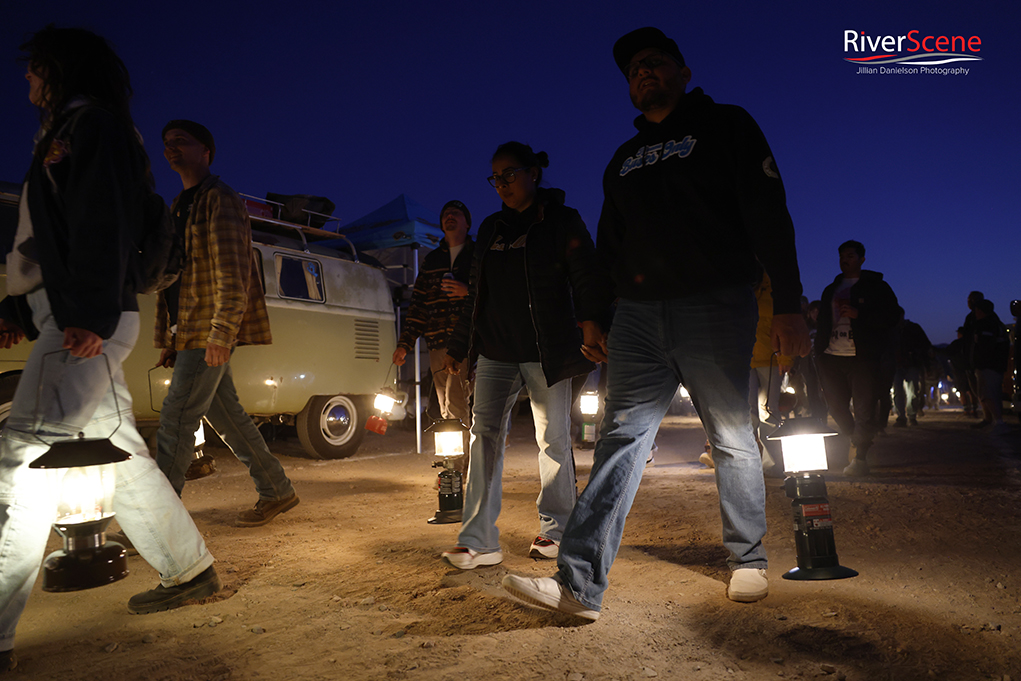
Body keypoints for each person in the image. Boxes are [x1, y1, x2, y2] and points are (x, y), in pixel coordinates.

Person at [501, 27, 811, 618]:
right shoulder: (623, 160)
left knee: (730, 434)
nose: (642, 72)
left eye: (654, 62)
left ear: (683, 71)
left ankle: (747, 559)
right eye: (632, 69)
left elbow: (770, 213)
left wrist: (790, 302)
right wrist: (595, 315)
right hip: (639, 317)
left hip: (715, 301)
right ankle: (578, 586)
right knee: (621, 440)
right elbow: (609, 247)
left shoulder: (728, 125)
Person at [0, 27, 220, 672]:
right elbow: (46, 239)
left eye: (35, 70)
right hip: (76, 316)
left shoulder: (87, 128)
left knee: (22, 457)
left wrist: (88, 312)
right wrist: (18, 308)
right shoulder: (76, 129)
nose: (27, 81)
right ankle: (189, 569)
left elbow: (102, 222)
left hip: (83, 321)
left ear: (60, 71)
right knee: (118, 454)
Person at [440, 142, 607, 569]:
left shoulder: (562, 221)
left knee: (552, 440)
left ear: (533, 172)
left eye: (509, 175)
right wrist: (459, 346)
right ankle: (478, 539)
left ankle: (556, 529)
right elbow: (477, 294)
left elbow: (585, 274)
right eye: (495, 178)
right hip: (496, 351)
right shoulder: (493, 229)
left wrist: (591, 320)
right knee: (484, 436)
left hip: (545, 350)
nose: (501, 185)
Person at [156, 120, 298, 526]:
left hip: (208, 328)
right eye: (167, 143)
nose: (171, 148)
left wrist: (222, 332)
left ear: (207, 151)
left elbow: (233, 272)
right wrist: (171, 335)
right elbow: (178, 276)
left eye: (181, 141)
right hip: (189, 328)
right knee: (226, 415)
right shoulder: (179, 204)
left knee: (176, 418)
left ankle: (159, 521)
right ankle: (277, 489)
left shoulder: (220, 199)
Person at [814, 240, 899, 476]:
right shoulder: (832, 288)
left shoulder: (877, 287)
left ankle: (860, 458)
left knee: (863, 408)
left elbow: (892, 317)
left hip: (862, 357)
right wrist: (819, 351)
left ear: (862, 259)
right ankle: (858, 439)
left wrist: (859, 314)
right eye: (841, 256)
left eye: (850, 255)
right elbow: (822, 323)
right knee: (836, 406)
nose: (845, 260)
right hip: (832, 356)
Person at [393, 200, 474, 426]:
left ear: (467, 223)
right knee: (445, 404)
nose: (450, 216)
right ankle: (459, 456)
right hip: (437, 342)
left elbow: (495, 293)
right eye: (446, 213)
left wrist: (468, 292)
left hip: (467, 342)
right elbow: (419, 304)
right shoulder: (432, 261)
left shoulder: (477, 257)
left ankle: (463, 460)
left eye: (456, 213)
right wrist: (405, 343)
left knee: (457, 401)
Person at [970, 299, 1010, 434]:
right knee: (991, 393)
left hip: (989, 366)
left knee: (988, 393)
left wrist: (979, 363)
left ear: (981, 311)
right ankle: (993, 420)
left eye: (976, 311)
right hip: (994, 365)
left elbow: (986, 347)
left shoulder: (987, 325)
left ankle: (998, 422)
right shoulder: (997, 324)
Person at [891, 307, 931, 427]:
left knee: (912, 392)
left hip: (911, 363)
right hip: (897, 364)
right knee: (899, 392)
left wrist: (924, 362)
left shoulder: (913, 328)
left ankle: (910, 416)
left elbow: (925, 345)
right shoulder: (892, 330)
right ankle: (902, 417)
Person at [960, 291, 985, 419]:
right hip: (971, 359)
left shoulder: (985, 317)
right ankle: (987, 415)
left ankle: (991, 417)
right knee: (975, 389)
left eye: (971, 300)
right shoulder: (969, 318)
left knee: (983, 389)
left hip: (981, 360)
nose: (969, 303)